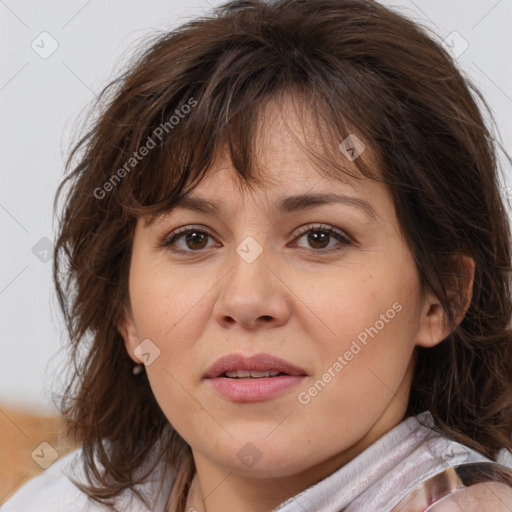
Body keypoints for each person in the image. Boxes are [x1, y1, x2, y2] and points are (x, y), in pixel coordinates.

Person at [3, 0, 512, 510]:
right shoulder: (60, 497)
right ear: (126, 313)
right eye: (193, 239)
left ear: (442, 297)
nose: (246, 300)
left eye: (319, 238)